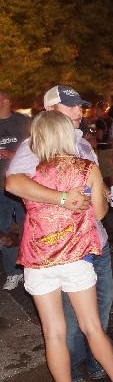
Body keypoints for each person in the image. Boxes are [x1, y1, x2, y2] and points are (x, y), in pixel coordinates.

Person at [6, 84, 113, 382]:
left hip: (68, 249)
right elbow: (13, 183)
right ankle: (82, 371)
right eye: (71, 106)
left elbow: (95, 194)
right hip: (73, 251)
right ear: (51, 110)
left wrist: (109, 195)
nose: (79, 111)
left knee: (91, 314)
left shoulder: (82, 144)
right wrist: (65, 198)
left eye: (80, 105)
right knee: (80, 324)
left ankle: (95, 364)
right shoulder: (34, 146)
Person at [0, 90, 30, 290]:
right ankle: (13, 272)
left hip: (22, 184)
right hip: (0, 187)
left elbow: (36, 148)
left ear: (6, 101)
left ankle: (30, 268)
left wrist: (13, 153)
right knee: (3, 230)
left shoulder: (22, 122)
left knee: (27, 226)